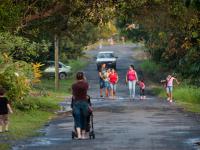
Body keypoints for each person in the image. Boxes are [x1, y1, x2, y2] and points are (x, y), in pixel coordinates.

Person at [72, 72, 89, 139]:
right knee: (84, 118)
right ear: (83, 77)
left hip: (76, 103)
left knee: (77, 118)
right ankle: (83, 135)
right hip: (84, 103)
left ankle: (78, 135)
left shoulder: (74, 85)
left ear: (76, 77)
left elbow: (73, 96)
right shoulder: (86, 84)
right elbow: (87, 89)